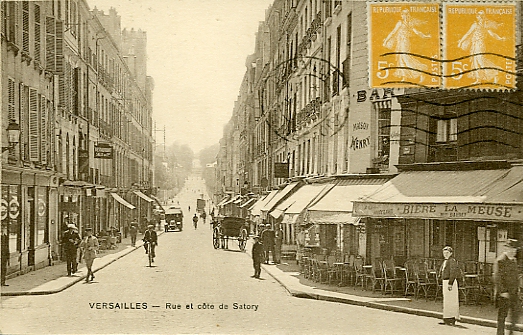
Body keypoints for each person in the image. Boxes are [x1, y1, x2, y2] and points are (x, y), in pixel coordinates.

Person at [457, 10, 506, 84]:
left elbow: (492, 34)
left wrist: (500, 38)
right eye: (479, 16)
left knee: (481, 60)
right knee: (475, 61)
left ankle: (497, 72)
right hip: (474, 45)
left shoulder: (485, 26)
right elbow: (468, 34)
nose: (481, 17)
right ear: (477, 17)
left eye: (482, 16)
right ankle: (478, 79)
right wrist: (461, 42)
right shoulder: (475, 25)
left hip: (480, 44)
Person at [383, 9, 431, 82]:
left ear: (406, 15)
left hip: (404, 42)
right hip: (400, 42)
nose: (402, 16)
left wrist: (425, 36)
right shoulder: (401, 23)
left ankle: (420, 73)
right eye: (401, 14)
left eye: (403, 14)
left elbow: (416, 32)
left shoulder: (407, 24)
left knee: (405, 58)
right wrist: (386, 40)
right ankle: (404, 77)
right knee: (400, 58)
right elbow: (393, 32)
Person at [494, 239, 521, 335]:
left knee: (515, 314)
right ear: (506, 248)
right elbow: (497, 277)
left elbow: (515, 277)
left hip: (513, 293)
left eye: (515, 250)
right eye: (511, 249)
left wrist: (517, 289)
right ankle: (500, 333)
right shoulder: (500, 260)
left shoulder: (514, 260)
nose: (513, 251)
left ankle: (511, 332)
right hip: (504, 294)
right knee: (502, 316)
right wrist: (503, 291)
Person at [439, 246, 460, 326]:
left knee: (451, 300)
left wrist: (450, 283)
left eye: (447, 253)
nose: (445, 254)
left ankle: (451, 318)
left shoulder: (452, 261)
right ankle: (446, 318)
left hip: (449, 282)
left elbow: (453, 272)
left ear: (451, 253)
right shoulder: (446, 261)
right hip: (445, 281)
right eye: (444, 253)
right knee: (447, 301)